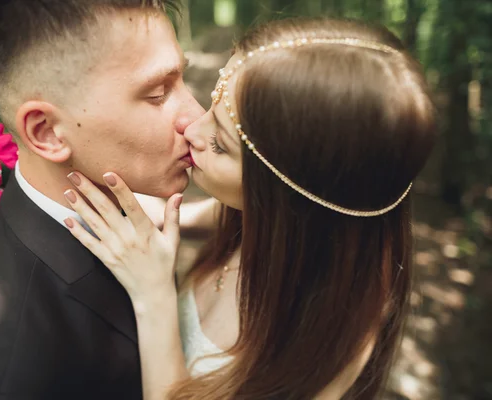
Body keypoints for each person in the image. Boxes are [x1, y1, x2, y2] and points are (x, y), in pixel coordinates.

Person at [64, 18, 438, 399]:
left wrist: (153, 295)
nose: (192, 129)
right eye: (212, 104)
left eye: (221, 144)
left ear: (288, 195)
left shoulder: (327, 348)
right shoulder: (278, 224)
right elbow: (205, 216)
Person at [0, 0, 203, 399]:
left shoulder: (114, 200)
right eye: (157, 94)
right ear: (47, 133)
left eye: (182, 81)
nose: (196, 116)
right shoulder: (4, 366)